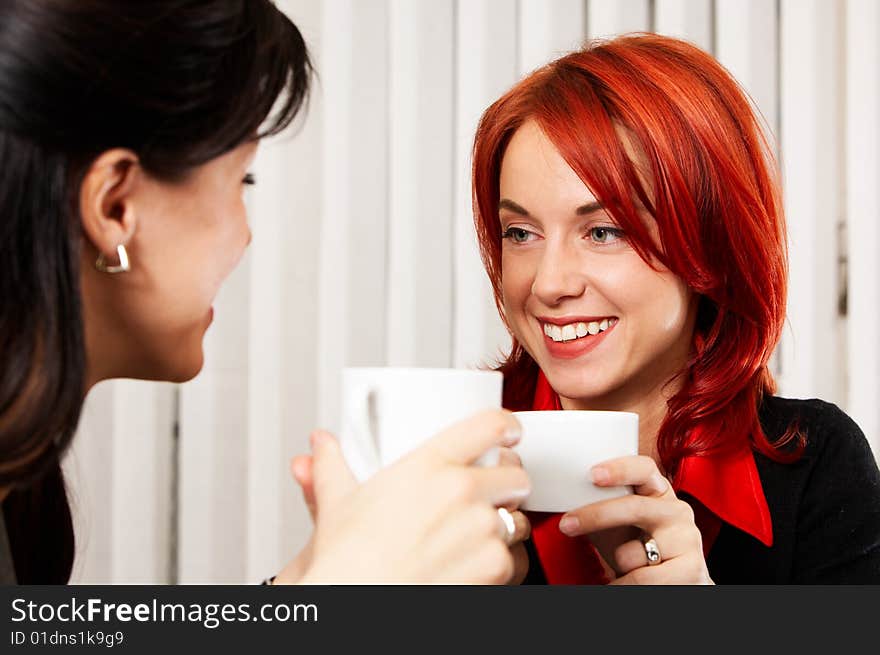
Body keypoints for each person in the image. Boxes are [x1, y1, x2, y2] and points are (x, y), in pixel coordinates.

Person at [0, 0, 529, 585]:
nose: (246, 234)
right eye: (240, 180)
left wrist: (310, 580)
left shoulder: (26, 487)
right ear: (114, 207)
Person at [470, 33, 880, 584]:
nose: (549, 283)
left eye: (604, 230)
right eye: (520, 232)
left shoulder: (814, 463)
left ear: (709, 245)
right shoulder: (454, 460)